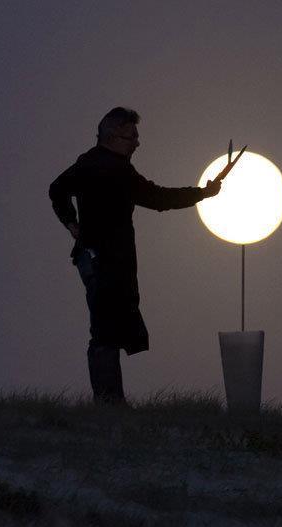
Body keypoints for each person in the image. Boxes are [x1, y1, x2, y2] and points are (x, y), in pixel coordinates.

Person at [49, 107, 226, 404]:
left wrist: (72, 224)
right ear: (112, 137)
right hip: (102, 260)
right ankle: (109, 403)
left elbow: (57, 189)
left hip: (95, 258)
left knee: (108, 327)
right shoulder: (114, 169)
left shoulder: (89, 163)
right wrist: (202, 194)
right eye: (132, 136)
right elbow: (157, 198)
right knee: (105, 331)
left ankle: (110, 401)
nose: (137, 143)